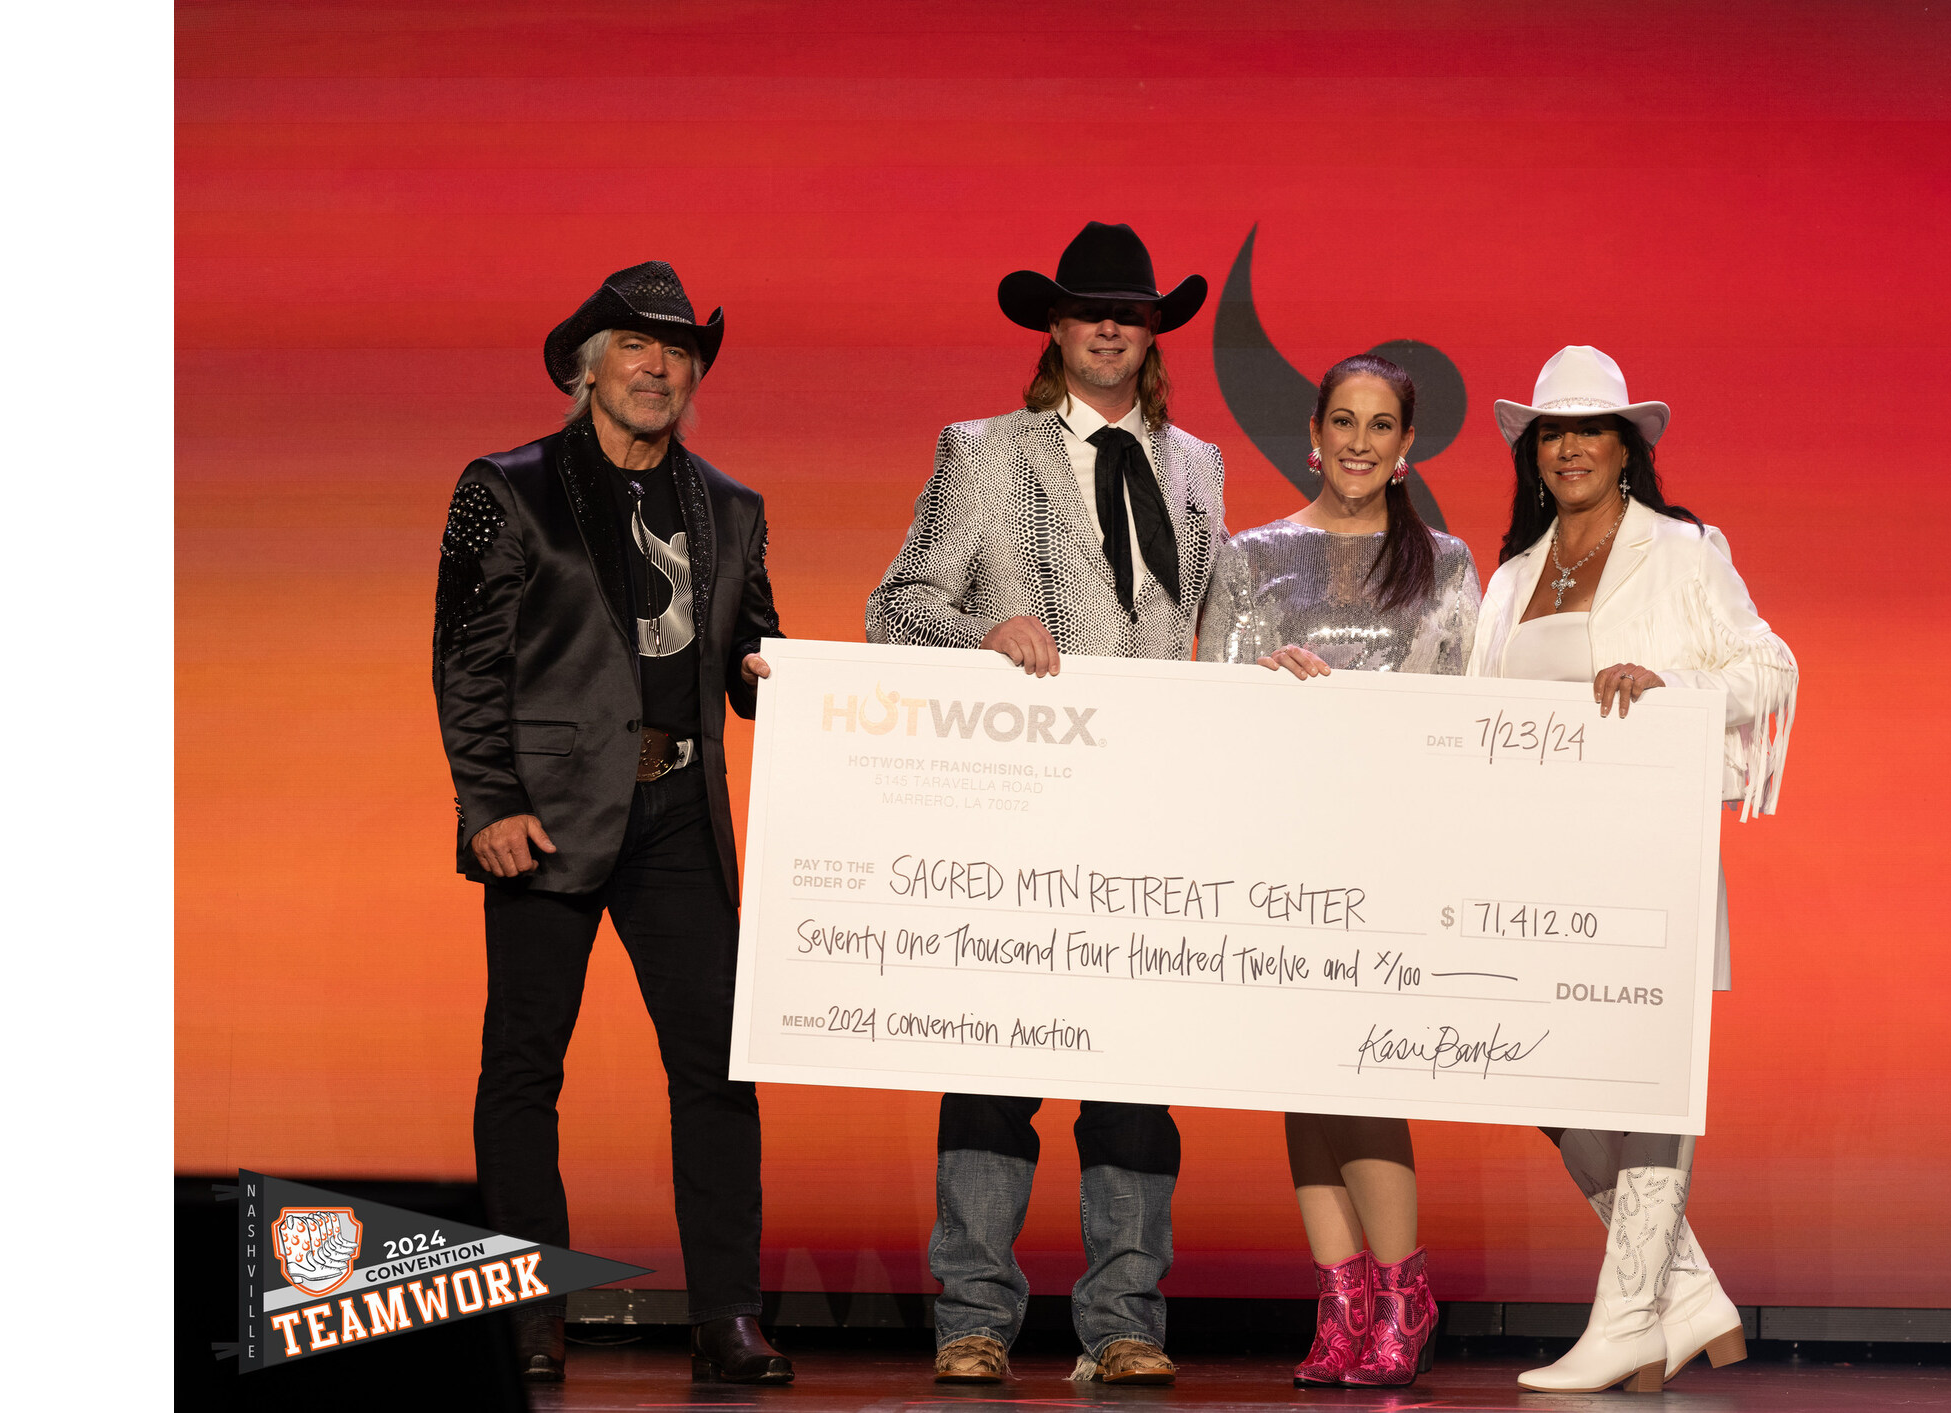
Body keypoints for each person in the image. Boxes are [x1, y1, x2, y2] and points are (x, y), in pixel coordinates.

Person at [864, 221, 1228, 1386]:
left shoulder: (1199, 467)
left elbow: (1212, 629)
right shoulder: (982, 451)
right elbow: (895, 607)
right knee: (993, 1065)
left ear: (1154, 332)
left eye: (1131, 312)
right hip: (1018, 807)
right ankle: (973, 1317)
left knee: (1135, 1080)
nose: (1110, 328)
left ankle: (1124, 1321)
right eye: (1089, 311)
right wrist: (986, 629)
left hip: (1151, 807)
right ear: (1056, 329)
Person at [431, 262, 794, 1386]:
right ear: (588, 368)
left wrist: (785, 678)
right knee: (524, 1067)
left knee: (718, 1069)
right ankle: (523, 1315)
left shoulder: (732, 507)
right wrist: (489, 804)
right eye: (636, 346)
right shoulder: (506, 487)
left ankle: (728, 1317)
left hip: (680, 813)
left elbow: (753, 647)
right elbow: (466, 663)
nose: (659, 367)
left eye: (678, 351)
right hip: (545, 816)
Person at [1465, 345, 1798, 1393]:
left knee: (1649, 1071)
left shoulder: (1682, 551)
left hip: (1645, 848)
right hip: (1534, 865)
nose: (1569, 447)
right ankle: (1682, 1296)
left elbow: (1768, 664)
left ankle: (1627, 1322)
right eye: (1552, 432)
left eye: (1590, 431)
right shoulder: (1512, 577)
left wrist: (1669, 683)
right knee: (1538, 1070)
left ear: (1625, 448)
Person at [1197, 354, 1479, 1387]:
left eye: (1381, 425)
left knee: (1363, 1065)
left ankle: (1404, 1293)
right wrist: (1264, 679)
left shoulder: (1444, 563)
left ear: (1407, 447)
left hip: (1389, 842)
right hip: (1279, 837)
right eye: (1344, 421)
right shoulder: (1250, 555)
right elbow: (1214, 695)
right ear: (1314, 434)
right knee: (1300, 1074)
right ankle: (1342, 1300)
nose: (1360, 442)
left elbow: (1461, 708)